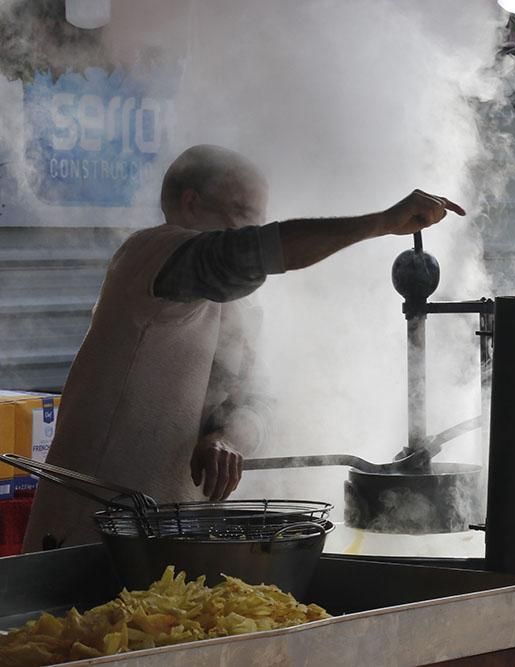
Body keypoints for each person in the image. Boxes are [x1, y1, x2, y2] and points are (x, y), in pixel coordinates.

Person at [22, 144, 465, 551]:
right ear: (190, 203)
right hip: (87, 536)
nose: (252, 229)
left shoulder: (239, 306)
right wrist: (382, 222)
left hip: (174, 537)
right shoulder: (149, 255)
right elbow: (245, 255)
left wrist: (227, 437)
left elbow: (257, 401)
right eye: (241, 214)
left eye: (258, 218)